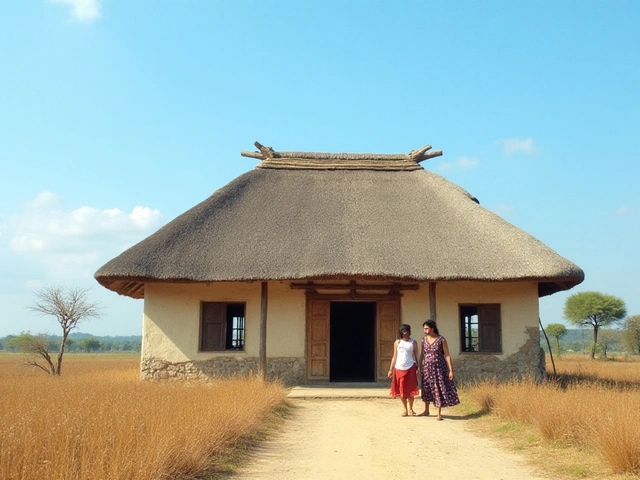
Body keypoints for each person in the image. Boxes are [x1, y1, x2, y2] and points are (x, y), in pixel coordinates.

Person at [418, 319, 460, 420]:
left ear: (432, 328)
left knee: (438, 388)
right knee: (427, 388)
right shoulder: (423, 340)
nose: (425, 330)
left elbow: (447, 355)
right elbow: (422, 355)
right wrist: (419, 368)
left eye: (427, 328)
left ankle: (438, 413)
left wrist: (451, 370)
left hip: (439, 369)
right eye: (424, 328)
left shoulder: (441, 340)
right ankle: (426, 410)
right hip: (427, 368)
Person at [388, 324, 420, 416]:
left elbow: (416, 355)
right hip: (399, 368)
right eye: (403, 332)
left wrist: (418, 367)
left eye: (407, 332)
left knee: (411, 389)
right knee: (401, 389)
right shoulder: (397, 342)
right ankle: (404, 409)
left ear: (409, 332)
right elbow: (394, 356)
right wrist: (390, 369)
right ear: (401, 333)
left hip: (410, 367)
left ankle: (411, 408)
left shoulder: (413, 342)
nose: (405, 334)